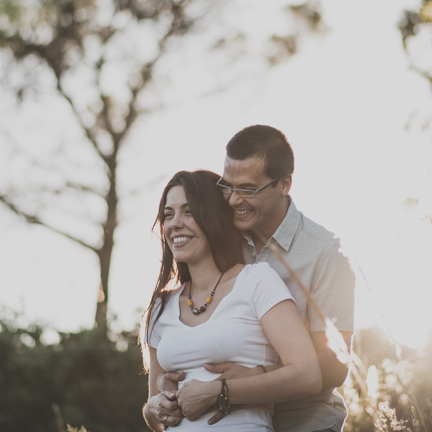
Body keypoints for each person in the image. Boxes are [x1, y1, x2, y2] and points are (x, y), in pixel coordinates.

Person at [161, 126, 356, 432]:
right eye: (227, 186)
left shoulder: (325, 254)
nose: (234, 200)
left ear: (284, 184)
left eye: (249, 189)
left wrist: (255, 376)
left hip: (304, 419)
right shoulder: (222, 236)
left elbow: (335, 365)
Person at [142, 170, 322, 431]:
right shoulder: (161, 306)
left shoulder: (256, 281)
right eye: (168, 214)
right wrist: (154, 408)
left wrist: (218, 392)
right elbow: (152, 412)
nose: (175, 223)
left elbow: (307, 375)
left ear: (214, 217)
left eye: (189, 211)